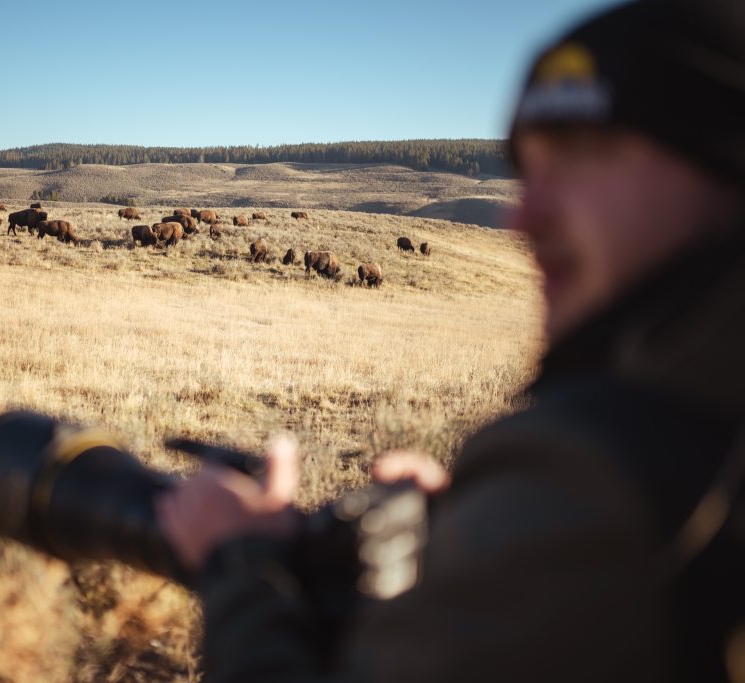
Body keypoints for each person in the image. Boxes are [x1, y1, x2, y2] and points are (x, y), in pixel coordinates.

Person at [155, 1, 745, 681]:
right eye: (528, 171)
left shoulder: (621, 473)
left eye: (587, 154)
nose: (523, 216)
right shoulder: (692, 444)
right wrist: (497, 537)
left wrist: (243, 567)